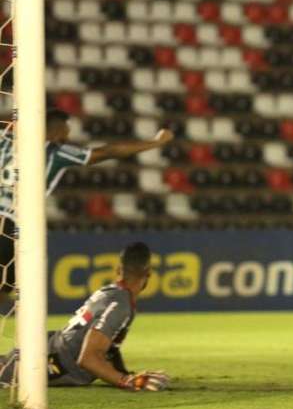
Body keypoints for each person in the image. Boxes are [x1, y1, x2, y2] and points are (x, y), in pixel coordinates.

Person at [0, 108, 174, 305]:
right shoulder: (53, 151)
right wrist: (156, 142)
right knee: (15, 287)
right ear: (56, 132)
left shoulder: (4, 140)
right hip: (11, 228)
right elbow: (107, 152)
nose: (66, 138)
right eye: (65, 133)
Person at [0, 242, 169, 391]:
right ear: (148, 273)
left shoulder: (110, 293)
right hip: (49, 360)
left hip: (48, 350)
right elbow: (88, 359)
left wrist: (124, 373)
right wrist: (126, 381)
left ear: (119, 270)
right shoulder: (120, 304)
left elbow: (109, 349)